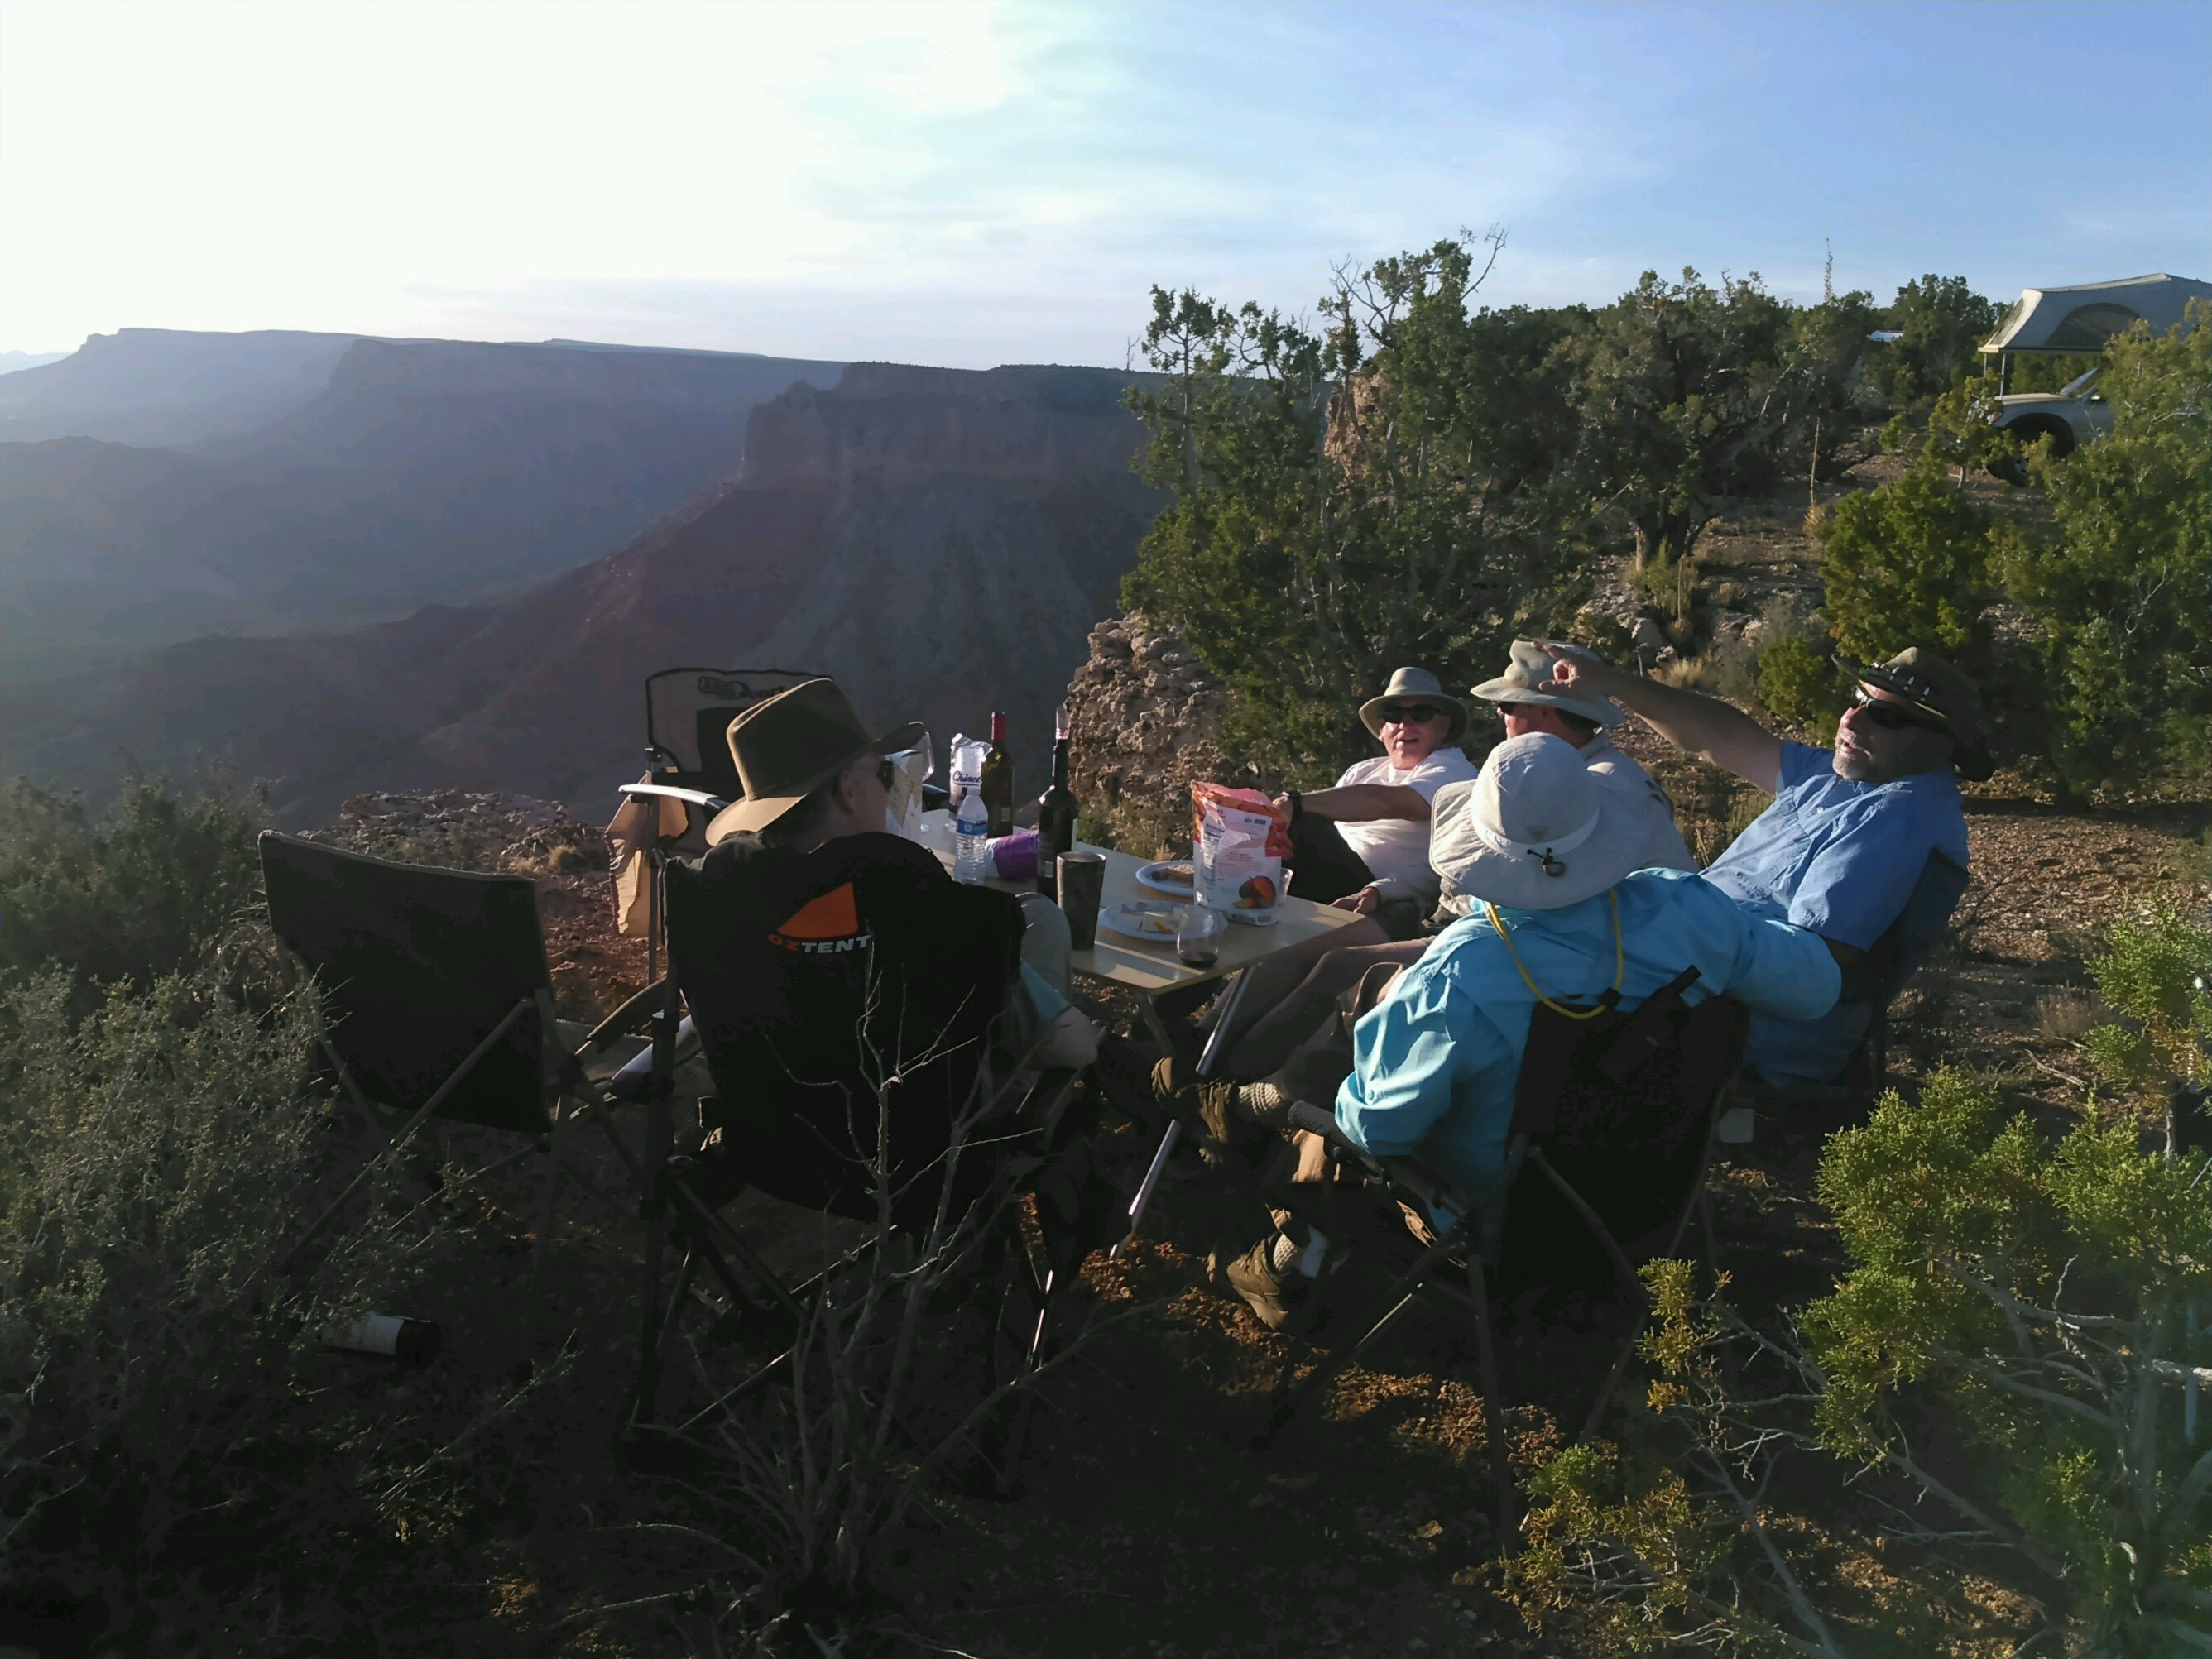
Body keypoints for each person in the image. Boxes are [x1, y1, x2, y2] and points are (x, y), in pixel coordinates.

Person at [1221, 733, 1843, 1329]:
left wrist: (1354, 1071)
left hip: (1499, 1227)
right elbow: (1815, 990)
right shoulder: (1690, 908)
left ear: (1481, 851)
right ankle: (1240, 1108)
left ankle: (1281, 1250)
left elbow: (1377, 1129)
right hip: (1651, 1205)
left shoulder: (1463, 970)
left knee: (1348, 1098)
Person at [1532, 641, 1983, 1086]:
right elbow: (1717, 735)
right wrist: (1610, 682)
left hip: (1736, 1024)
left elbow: (1813, 965)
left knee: (1522, 990)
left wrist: (1671, 931)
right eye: (1858, 699)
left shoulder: (1901, 813)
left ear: (1939, 743)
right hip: (1693, 978)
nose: (1853, 718)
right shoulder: (1842, 776)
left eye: (1886, 715)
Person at [694, 677, 1102, 1077]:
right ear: (850, 791)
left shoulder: (724, 893)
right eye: (882, 775)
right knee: (1044, 951)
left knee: (1037, 916)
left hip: (775, 1128)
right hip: (922, 1126)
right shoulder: (916, 897)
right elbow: (1075, 1047)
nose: (887, 789)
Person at [1458, 638, 1693, 906]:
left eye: (1507, 704)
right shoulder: (1601, 773)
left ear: (1544, 709)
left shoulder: (1602, 783)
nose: (1501, 713)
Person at [1274, 666, 1479, 931]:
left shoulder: (1452, 769)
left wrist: (1294, 803)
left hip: (1376, 885)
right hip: (1327, 870)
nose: (1405, 725)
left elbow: (1399, 803)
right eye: (1393, 715)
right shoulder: (1363, 770)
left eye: (1421, 714)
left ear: (1444, 727)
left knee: (1303, 825)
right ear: (1382, 730)